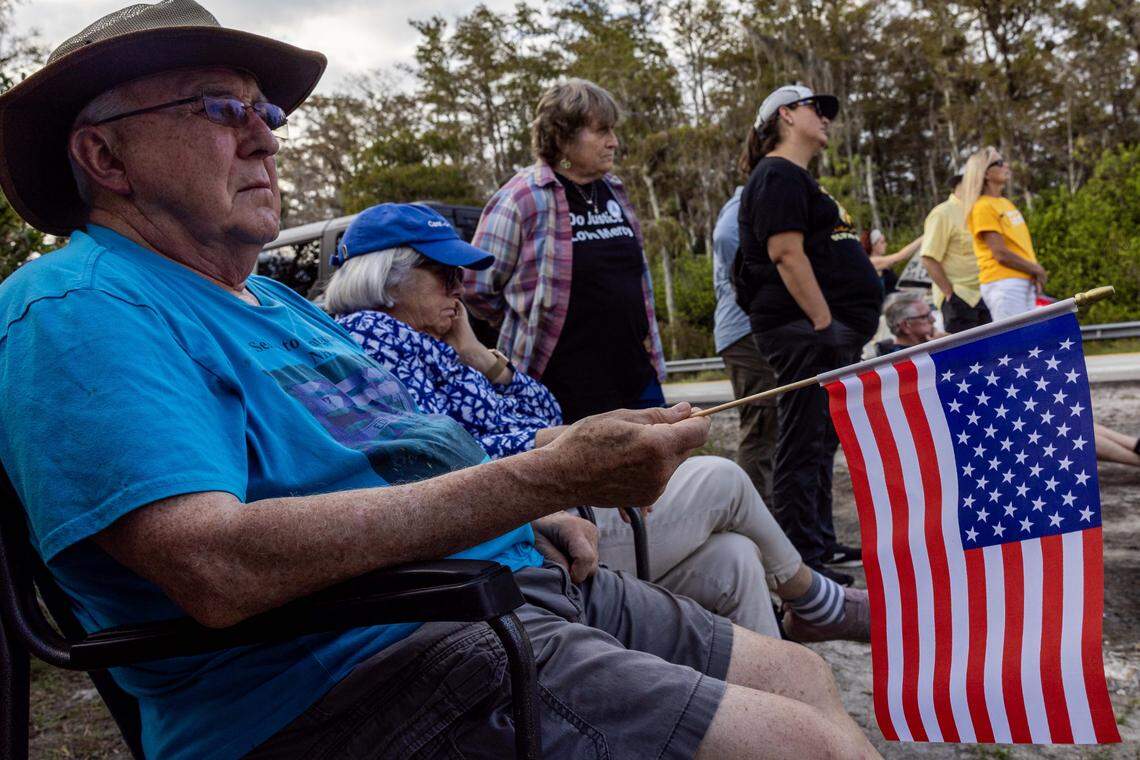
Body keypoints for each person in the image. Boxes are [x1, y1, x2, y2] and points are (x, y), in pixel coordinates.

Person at [0, 4, 878, 759]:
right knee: (799, 746)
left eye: (262, 109)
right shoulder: (76, 305)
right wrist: (537, 479)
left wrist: (536, 493)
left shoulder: (272, 301)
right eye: (220, 108)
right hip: (355, 672)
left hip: (496, 592)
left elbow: (407, 453)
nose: (265, 133)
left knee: (801, 676)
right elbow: (211, 564)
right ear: (106, 158)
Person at [326, 203, 872, 642]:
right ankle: (812, 602)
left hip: (546, 514)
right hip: (529, 525)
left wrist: (482, 356)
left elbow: (546, 411)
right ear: (386, 278)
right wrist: (565, 443)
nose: (459, 288)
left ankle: (768, 706)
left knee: (735, 559)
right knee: (724, 479)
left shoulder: (434, 343)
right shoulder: (376, 335)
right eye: (442, 274)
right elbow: (444, 458)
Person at [733, 84, 883, 584]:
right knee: (802, 440)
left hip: (822, 333)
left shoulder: (798, 179)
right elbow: (785, 254)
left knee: (821, 439)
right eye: (817, 109)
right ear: (787, 115)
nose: (826, 119)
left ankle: (819, 541)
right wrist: (824, 325)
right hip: (803, 331)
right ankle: (801, 558)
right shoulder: (776, 174)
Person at [466, 79, 666, 423]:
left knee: (662, 468)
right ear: (562, 136)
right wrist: (526, 318)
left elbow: (635, 280)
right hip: (561, 389)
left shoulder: (614, 190)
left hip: (634, 377)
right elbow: (474, 285)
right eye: (602, 131)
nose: (613, 142)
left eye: (613, 131)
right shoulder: (521, 198)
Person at [713, 186, 777, 505]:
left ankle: (771, 512)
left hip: (757, 330)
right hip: (743, 332)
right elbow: (726, 240)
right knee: (762, 424)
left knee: (774, 426)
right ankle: (757, 516)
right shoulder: (745, 202)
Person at [961, 146, 1048, 321]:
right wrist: (1037, 269)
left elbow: (1018, 247)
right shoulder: (982, 207)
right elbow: (1000, 253)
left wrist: (1033, 273)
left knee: (1029, 343)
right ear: (985, 173)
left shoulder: (1005, 203)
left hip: (1021, 281)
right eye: (999, 163)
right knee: (1016, 344)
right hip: (1004, 283)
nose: (1006, 166)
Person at [920, 173, 991, 333]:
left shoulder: (978, 210)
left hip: (984, 294)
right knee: (969, 355)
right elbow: (928, 258)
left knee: (994, 354)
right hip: (960, 297)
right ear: (961, 184)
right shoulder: (942, 213)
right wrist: (949, 293)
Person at [874, 291, 939, 355]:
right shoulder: (901, 361)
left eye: (930, 313)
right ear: (905, 326)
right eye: (925, 317)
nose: (933, 319)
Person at [858, 228, 921, 295]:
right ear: (873, 245)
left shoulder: (884, 264)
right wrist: (923, 238)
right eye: (882, 242)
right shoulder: (872, 262)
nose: (886, 244)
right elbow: (901, 256)